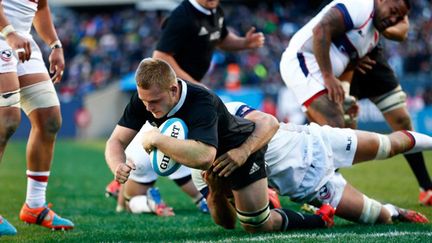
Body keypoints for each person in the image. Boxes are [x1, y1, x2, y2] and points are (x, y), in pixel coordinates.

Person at [105, 58, 334, 233]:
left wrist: (157, 139)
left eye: (154, 102)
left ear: (173, 90)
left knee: (257, 224)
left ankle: (320, 217)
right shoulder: (145, 98)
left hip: (237, 149)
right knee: (227, 222)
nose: (148, 108)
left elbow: (204, 155)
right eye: (144, 101)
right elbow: (116, 141)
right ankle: (264, 196)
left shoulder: (201, 100)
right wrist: (117, 164)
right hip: (207, 162)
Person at [192, 101, 431, 226]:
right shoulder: (197, 168)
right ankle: (395, 210)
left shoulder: (226, 110)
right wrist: (215, 192)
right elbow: (228, 222)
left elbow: (270, 123)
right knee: (377, 217)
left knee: (388, 146)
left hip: (315, 142)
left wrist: (243, 152)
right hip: (308, 186)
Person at [308, 0, 432, 206]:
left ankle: (426, 187)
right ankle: (321, 192)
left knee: (401, 119)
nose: (395, 17)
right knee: (333, 128)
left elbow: (401, 31)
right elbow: (322, 27)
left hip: (371, 57)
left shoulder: (387, 7)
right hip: (338, 61)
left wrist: (377, 23)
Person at [0, 0, 73, 235]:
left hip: (21, 38)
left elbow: (40, 6)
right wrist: (9, 34)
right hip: (4, 35)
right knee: (6, 120)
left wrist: (55, 45)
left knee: (50, 118)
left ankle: (35, 205)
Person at [279, 0, 410, 127]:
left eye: (398, 19)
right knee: (336, 124)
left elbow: (348, 64)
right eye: (393, 11)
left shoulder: (373, 36)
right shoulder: (361, 5)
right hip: (302, 60)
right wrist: (328, 76)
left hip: (319, 70)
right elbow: (321, 29)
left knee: (342, 128)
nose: (393, 20)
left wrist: (344, 98)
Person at [105, 121, 210, 216]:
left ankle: (124, 189)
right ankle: (149, 203)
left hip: (144, 139)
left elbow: (116, 140)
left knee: (129, 200)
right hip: (182, 144)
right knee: (203, 196)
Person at [153, 0, 265, 84]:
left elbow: (221, 38)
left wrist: (244, 43)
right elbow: (160, 57)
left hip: (192, 84)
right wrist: (194, 85)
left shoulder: (216, 10)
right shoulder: (182, 16)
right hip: (173, 87)